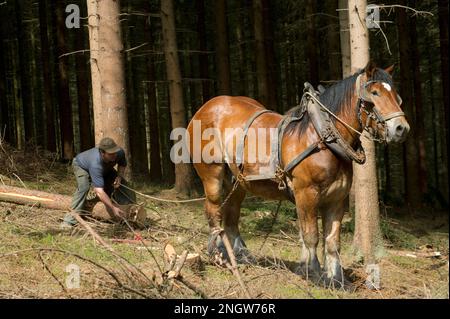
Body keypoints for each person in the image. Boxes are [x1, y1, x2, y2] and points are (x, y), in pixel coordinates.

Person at [60, 137, 136, 228]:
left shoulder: (119, 152)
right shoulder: (95, 164)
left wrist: (119, 177)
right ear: (102, 153)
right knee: (84, 187)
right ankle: (69, 220)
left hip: (105, 167)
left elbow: (122, 164)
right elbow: (99, 191)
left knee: (123, 185)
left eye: (114, 152)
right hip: (81, 166)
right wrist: (112, 208)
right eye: (110, 154)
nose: (114, 155)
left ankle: (130, 212)